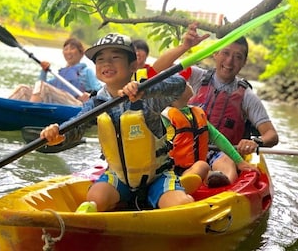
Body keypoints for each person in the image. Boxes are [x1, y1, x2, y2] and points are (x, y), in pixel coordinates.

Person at [40, 32, 202, 212]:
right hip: (119, 176)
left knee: (180, 206)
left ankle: (180, 191)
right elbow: (76, 126)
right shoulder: (97, 103)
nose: (107, 64)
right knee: (95, 198)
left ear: (133, 64)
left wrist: (144, 89)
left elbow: (179, 85)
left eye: (115, 57)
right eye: (100, 60)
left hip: (157, 176)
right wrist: (58, 133)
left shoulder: (148, 93)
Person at [153, 22, 279, 187]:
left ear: (244, 62)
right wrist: (184, 47)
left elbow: (271, 135)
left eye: (238, 57)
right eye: (225, 53)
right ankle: (189, 180)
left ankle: (217, 181)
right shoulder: (195, 76)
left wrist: (256, 141)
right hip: (184, 151)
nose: (229, 61)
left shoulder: (248, 97)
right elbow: (155, 71)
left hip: (222, 152)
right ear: (215, 54)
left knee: (226, 161)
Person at [160, 82, 259, 185]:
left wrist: (240, 162)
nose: (189, 83)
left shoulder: (196, 114)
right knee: (203, 166)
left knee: (203, 167)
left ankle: (215, 182)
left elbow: (218, 138)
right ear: (174, 96)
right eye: (185, 84)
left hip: (194, 167)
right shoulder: (164, 118)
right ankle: (180, 185)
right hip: (173, 169)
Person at [9, 37, 103, 106]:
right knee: (23, 89)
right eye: (66, 49)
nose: (68, 52)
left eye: (72, 48)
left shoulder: (86, 71)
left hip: (77, 104)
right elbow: (39, 87)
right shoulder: (60, 75)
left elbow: (100, 91)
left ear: (81, 53)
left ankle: (27, 113)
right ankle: (2, 107)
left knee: (43, 86)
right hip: (58, 102)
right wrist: (44, 71)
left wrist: (90, 97)